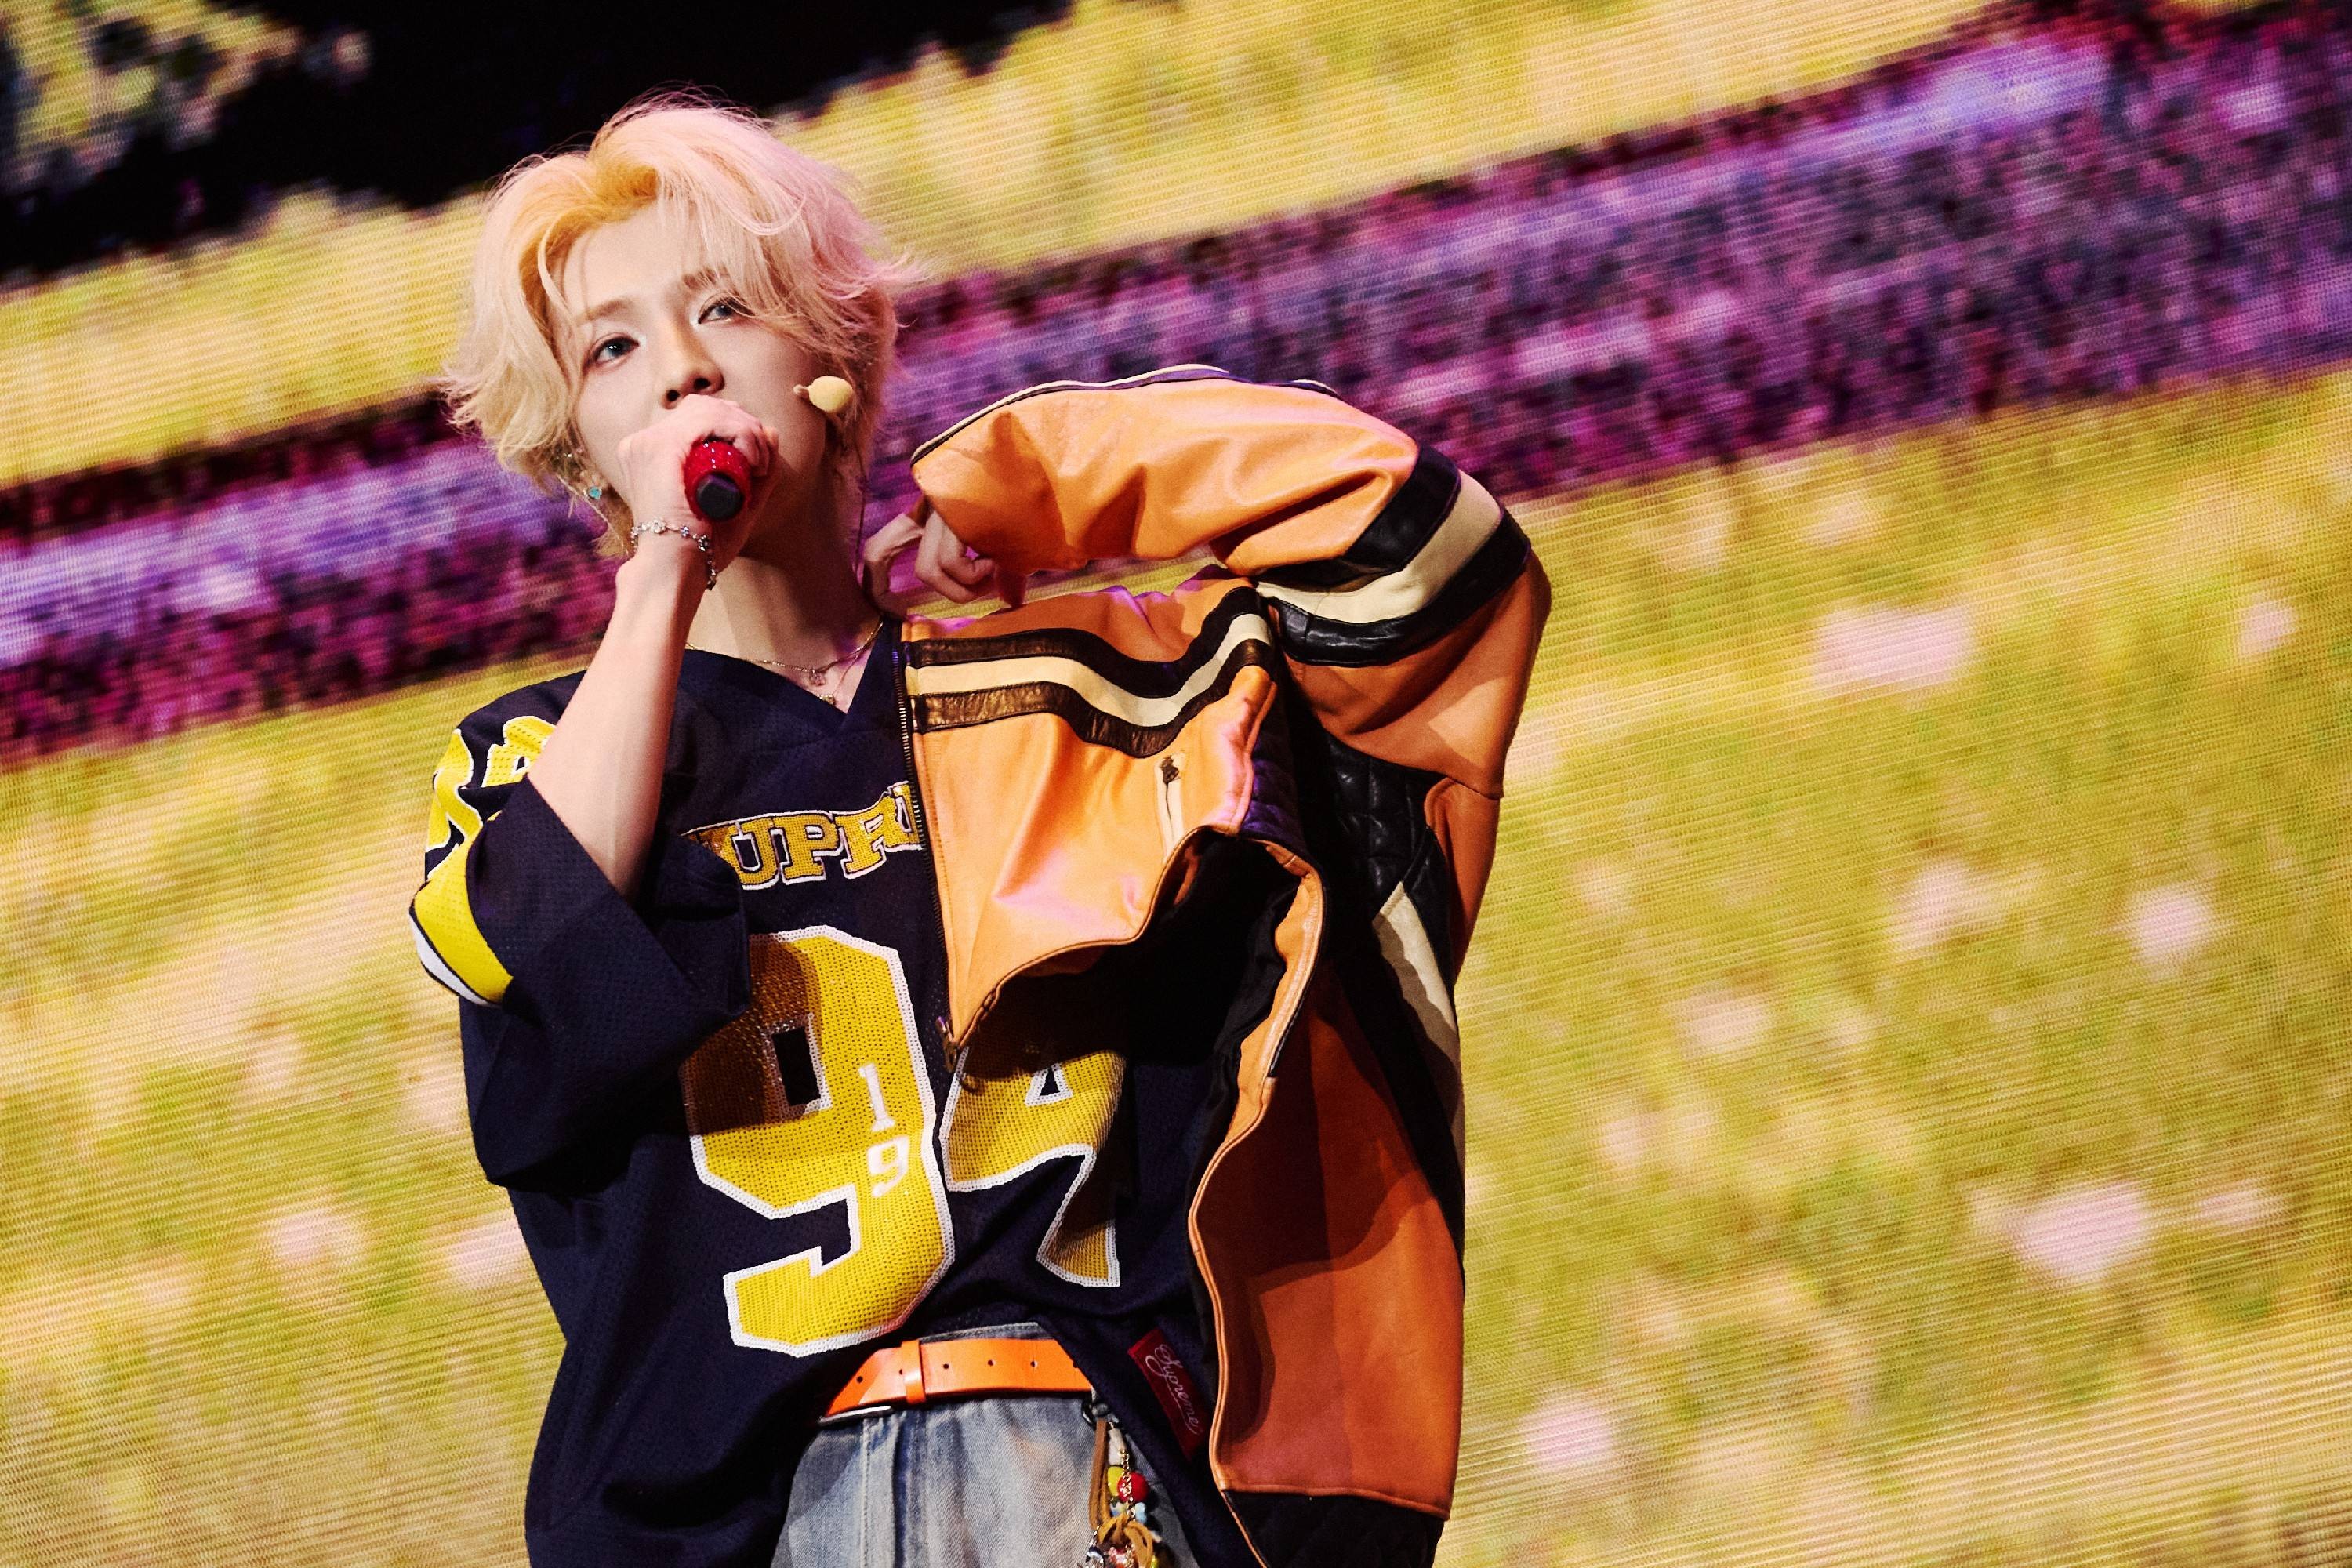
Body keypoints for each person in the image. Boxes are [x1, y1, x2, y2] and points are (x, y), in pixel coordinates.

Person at [412, 91, 1548, 1568]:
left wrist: (1036, 488)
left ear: (837, 352)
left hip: (1097, 1475)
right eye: (612, 350)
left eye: (725, 306)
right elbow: (533, 949)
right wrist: (668, 562)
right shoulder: (528, 763)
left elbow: (1422, 558)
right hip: (763, 1525)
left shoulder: (1104, 686)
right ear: (579, 450)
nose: (683, 368)